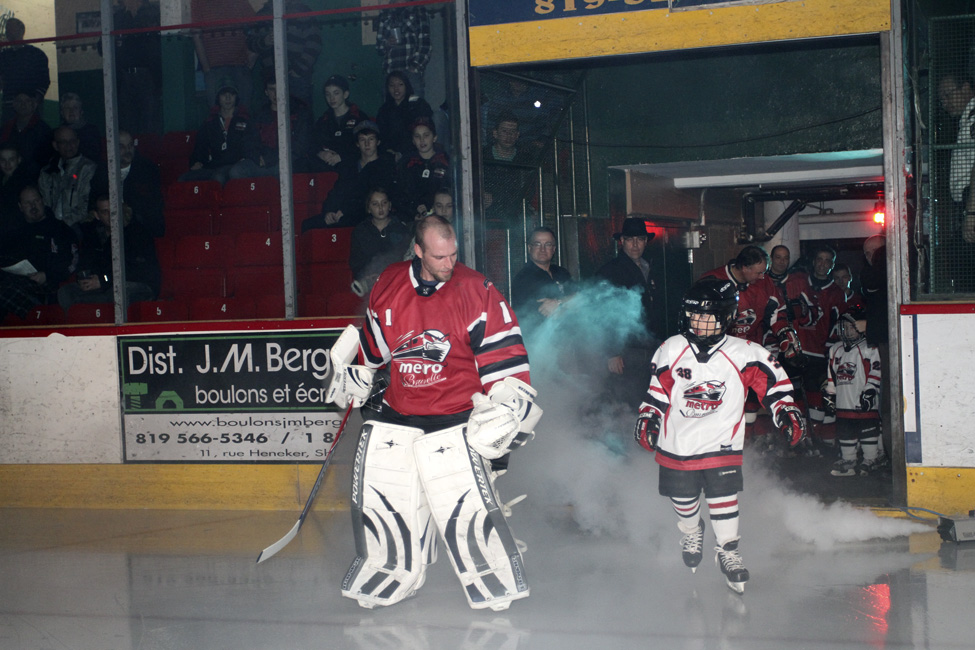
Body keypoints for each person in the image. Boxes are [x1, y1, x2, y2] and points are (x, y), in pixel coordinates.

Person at [328, 215, 539, 611]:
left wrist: (506, 410)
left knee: (461, 499)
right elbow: (374, 352)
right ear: (418, 251)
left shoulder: (478, 291)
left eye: (454, 254)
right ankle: (392, 567)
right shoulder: (388, 285)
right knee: (384, 486)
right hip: (401, 408)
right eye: (439, 256)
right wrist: (357, 377)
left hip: (458, 412)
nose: (449, 263)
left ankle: (490, 567)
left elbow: (506, 362)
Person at [634, 276, 805, 594]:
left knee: (723, 497)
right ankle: (690, 528)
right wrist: (649, 415)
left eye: (707, 317)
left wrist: (786, 411)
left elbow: (774, 386)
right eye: (694, 316)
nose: (698, 323)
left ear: (726, 317)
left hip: (722, 442)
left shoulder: (745, 353)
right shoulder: (671, 349)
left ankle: (729, 551)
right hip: (678, 443)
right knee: (684, 500)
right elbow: (658, 392)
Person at [597, 217, 660, 407]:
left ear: (645, 241)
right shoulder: (610, 271)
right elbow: (604, 314)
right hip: (626, 349)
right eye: (630, 239)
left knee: (647, 395)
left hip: (648, 345)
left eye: (640, 239)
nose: (635, 245)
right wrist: (612, 352)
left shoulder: (648, 266)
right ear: (622, 241)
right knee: (627, 398)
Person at [57, 195, 159, 313]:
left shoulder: (137, 232)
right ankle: (83, 323)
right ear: (97, 215)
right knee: (66, 292)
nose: (111, 215)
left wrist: (104, 280)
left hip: (136, 285)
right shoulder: (93, 235)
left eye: (114, 210)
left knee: (118, 292)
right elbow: (85, 262)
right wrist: (85, 278)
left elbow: (138, 271)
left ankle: (104, 320)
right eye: (105, 212)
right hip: (104, 285)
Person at [793, 244, 848, 446]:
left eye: (827, 261)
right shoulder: (799, 282)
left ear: (831, 265)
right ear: (814, 261)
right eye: (820, 259)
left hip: (819, 354)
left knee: (818, 397)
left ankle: (815, 437)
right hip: (796, 351)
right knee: (795, 394)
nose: (823, 264)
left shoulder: (835, 292)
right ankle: (800, 437)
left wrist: (829, 351)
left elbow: (836, 325)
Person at [303, 120, 398, 230]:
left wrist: (344, 211)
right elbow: (337, 191)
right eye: (362, 140)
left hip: (367, 215)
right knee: (308, 225)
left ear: (378, 142)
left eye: (371, 139)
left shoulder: (385, 167)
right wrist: (329, 211)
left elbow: (371, 198)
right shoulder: (350, 166)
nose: (367, 144)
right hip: (342, 213)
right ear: (357, 143)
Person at [824, 305, 884, 477]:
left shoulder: (869, 347)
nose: (848, 331)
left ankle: (871, 458)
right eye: (845, 327)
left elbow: (876, 369)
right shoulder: (835, 349)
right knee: (845, 429)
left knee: (867, 428)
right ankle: (849, 458)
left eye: (852, 326)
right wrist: (830, 393)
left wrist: (870, 390)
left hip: (862, 398)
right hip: (844, 400)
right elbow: (832, 374)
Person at [0, 185, 76, 321]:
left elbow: (70, 261)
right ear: (20, 206)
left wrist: (47, 275)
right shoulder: (15, 232)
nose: (33, 206)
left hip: (47, 285)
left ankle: (40, 316)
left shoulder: (59, 229)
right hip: (16, 280)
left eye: (36, 201)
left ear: (43, 201)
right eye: (27, 203)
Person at [179, 81, 260, 185]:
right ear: (218, 98)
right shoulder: (209, 123)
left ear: (236, 97)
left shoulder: (245, 120)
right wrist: (197, 162)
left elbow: (251, 146)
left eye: (232, 94)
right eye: (223, 94)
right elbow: (200, 147)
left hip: (234, 165)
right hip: (212, 166)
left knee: (219, 177)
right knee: (183, 179)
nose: (228, 98)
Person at [245, 0, 321, 108]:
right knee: (271, 117)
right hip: (270, 78)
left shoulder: (302, 11)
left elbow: (315, 43)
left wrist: (298, 70)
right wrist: (264, 41)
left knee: (302, 115)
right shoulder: (262, 14)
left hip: (298, 77)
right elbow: (250, 42)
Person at [938, 72, 975, 290]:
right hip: (966, 203)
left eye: (948, 95)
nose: (945, 103)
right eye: (941, 99)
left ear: (966, 87)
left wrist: (971, 214)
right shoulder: (966, 120)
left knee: (966, 277)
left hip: (970, 202)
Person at [91, 130, 165, 238]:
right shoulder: (102, 170)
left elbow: (150, 204)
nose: (128, 150)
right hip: (107, 223)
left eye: (130, 145)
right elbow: (95, 198)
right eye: (121, 146)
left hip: (139, 224)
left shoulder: (147, 169)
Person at [108, 0, 162, 134]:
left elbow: (149, 46)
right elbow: (101, 46)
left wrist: (123, 42)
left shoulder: (151, 13)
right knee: (127, 122)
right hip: (124, 77)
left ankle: (148, 152)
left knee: (149, 121)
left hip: (147, 76)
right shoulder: (118, 17)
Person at [191, 0, 255, 109]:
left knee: (243, 112)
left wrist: (252, 57)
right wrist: (207, 68)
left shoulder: (240, 2)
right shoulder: (199, 2)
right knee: (216, 113)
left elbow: (255, 28)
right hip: (214, 68)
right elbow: (196, 35)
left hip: (240, 66)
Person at [348, 186, 410, 296]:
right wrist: (367, 276)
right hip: (369, 280)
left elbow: (406, 258)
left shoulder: (401, 229)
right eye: (375, 204)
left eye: (384, 203)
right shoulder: (360, 231)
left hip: (396, 281)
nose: (380, 208)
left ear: (390, 205)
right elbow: (356, 262)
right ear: (368, 208)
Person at [38, 126, 98, 232]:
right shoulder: (47, 171)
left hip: (78, 227)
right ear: (55, 145)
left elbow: (85, 207)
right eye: (63, 142)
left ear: (78, 142)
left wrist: (63, 225)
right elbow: (44, 203)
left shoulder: (88, 168)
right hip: (51, 226)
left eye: (72, 141)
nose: (69, 145)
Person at [251, 77, 313, 177]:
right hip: (263, 160)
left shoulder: (299, 113)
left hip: (289, 160)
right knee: (238, 171)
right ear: (266, 92)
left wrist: (272, 159)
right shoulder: (260, 114)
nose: (276, 94)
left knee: (282, 171)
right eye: (272, 89)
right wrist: (256, 157)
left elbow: (300, 146)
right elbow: (249, 141)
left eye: (279, 89)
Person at [307, 75, 369, 172]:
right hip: (327, 166)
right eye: (328, 94)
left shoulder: (359, 117)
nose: (331, 98)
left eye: (336, 93)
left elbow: (366, 146)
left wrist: (341, 157)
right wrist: (321, 153)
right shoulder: (324, 120)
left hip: (351, 166)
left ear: (345, 94)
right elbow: (312, 144)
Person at [511, 226, 572, 325]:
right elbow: (542, 314)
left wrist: (559, 302)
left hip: (570, 335)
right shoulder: (523, 279)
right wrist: (568, 305)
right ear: (529, 248)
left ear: (553, 249)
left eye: (547, 244)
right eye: (537, 244)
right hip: (538, 338)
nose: (542, 249)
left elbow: (581, 297)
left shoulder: (561, 272)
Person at [375, 1, 432, 97]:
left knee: (414, 109)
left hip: (410, 72)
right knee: (391, 110)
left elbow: (425, 44)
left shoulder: (418, 9)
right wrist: (387, 43)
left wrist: (415, 67)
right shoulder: (385, 12)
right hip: (390, 72)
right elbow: (379, 48)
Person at [0, 18, 50, 124]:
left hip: (30, 108)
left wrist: (34, 102)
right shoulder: (3, 56)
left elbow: (44, 80)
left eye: (10, 28)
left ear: (22, 30)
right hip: (10, 107)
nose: (7, 32)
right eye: (6, 29)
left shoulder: (36, 54)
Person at [398, 118, 449, 220]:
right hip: (414, 216)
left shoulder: (445, 161)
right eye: (417, 136)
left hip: (441, 215)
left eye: (426, 135)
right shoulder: (407, 163)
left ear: (434, 137)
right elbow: (402, 194)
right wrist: (415, 210)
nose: (422, 140)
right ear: (413, 140)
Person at [375, 70, 433, 160]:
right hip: (390, 153)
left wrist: (401, 153)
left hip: (414, 151)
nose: (396, 89)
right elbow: (381, 135)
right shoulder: (384, 110)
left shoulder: (417, 104)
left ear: (406, 86)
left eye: (400, 85)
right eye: (392, 85)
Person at [0, 92, 52, 171]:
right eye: (19, 101)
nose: (23, 104)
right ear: (14, 104)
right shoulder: (6, 128)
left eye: (27, 101)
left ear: (34, 105)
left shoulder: (44, 130)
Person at [0, 143, 36, 237]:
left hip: (17, 232)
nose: (7, 164)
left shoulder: (25, 182)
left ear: (19, 160)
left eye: (11, 159)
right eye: (3, 160)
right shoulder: (3, 179)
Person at [59, 93, 102, 163]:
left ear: (81, 111)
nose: (71, 111)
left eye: (75, 108)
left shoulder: (92, 131)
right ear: (62, 113)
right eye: (67, 108)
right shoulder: (57, 133)